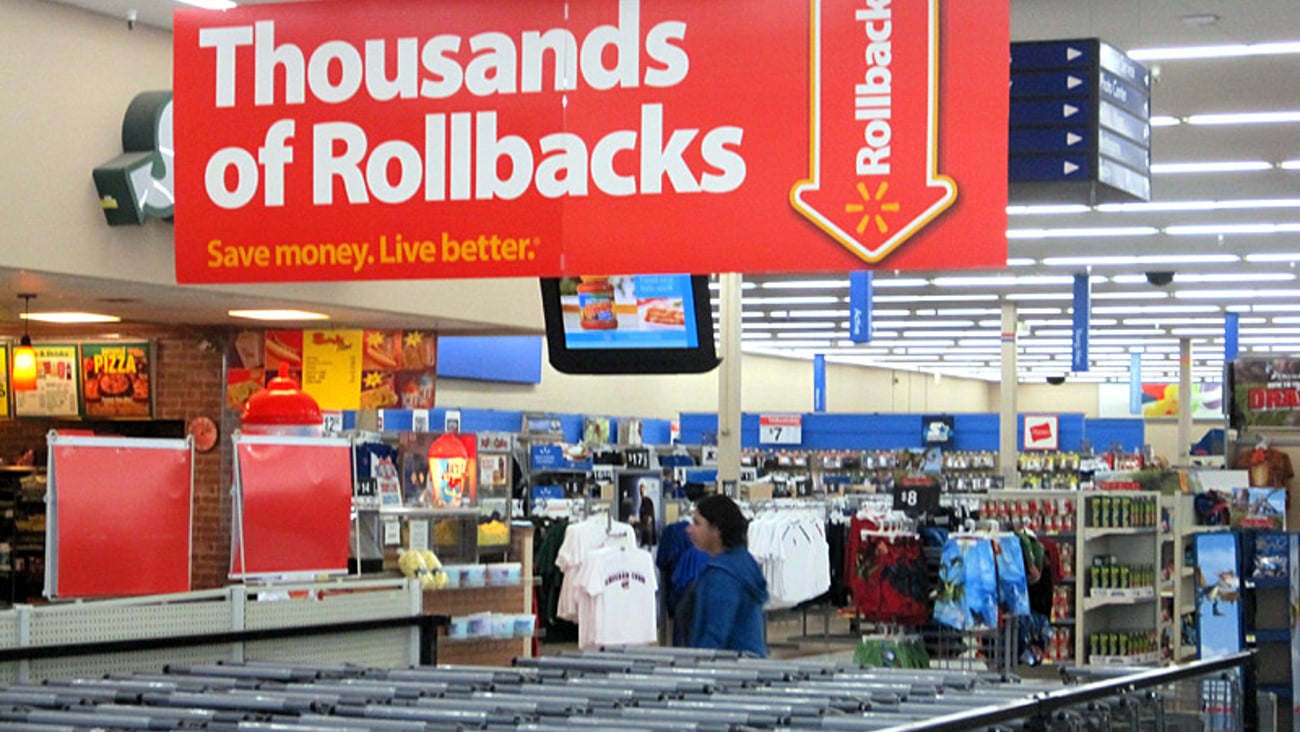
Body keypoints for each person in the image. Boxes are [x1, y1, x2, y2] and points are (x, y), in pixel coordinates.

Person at [682, 494, 769, 657]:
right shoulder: (743, 562)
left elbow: (715, 633)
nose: (689, 529)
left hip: (729, 672)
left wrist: (696, 670)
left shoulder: (724, 575)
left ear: (716, 530)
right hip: (749, 665)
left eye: (697, 523)